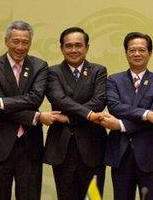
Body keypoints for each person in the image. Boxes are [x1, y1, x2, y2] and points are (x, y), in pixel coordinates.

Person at [0, 21, 51, 200]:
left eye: (25, 42)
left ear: (30, 43)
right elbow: (4, 112)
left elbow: (35, 98)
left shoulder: (40, 66)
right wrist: (36, 116)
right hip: (0, 146)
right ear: (6, 41)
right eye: (15, 41)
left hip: (30, 145)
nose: (20, 47)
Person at [100, 32, 153, 200]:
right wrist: (146, 114)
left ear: (150, 53)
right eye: (132, 50)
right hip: (121, 153)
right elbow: (115, 107)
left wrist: (122, 125)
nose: (137, 54)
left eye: (141, 49)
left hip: (151, 154)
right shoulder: (113, 80)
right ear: (126, 53)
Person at [44, 27, 108, 199]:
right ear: (61, 48)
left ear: (87, 47)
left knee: (93, 197)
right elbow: (59, 100)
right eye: (69, 46)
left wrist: (68, 118)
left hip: (93, 147)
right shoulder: (52, 72)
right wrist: (89, 115)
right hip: (62, 148)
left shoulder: (98, 71)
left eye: (78, 45)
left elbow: (99, 102)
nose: (73, 50)